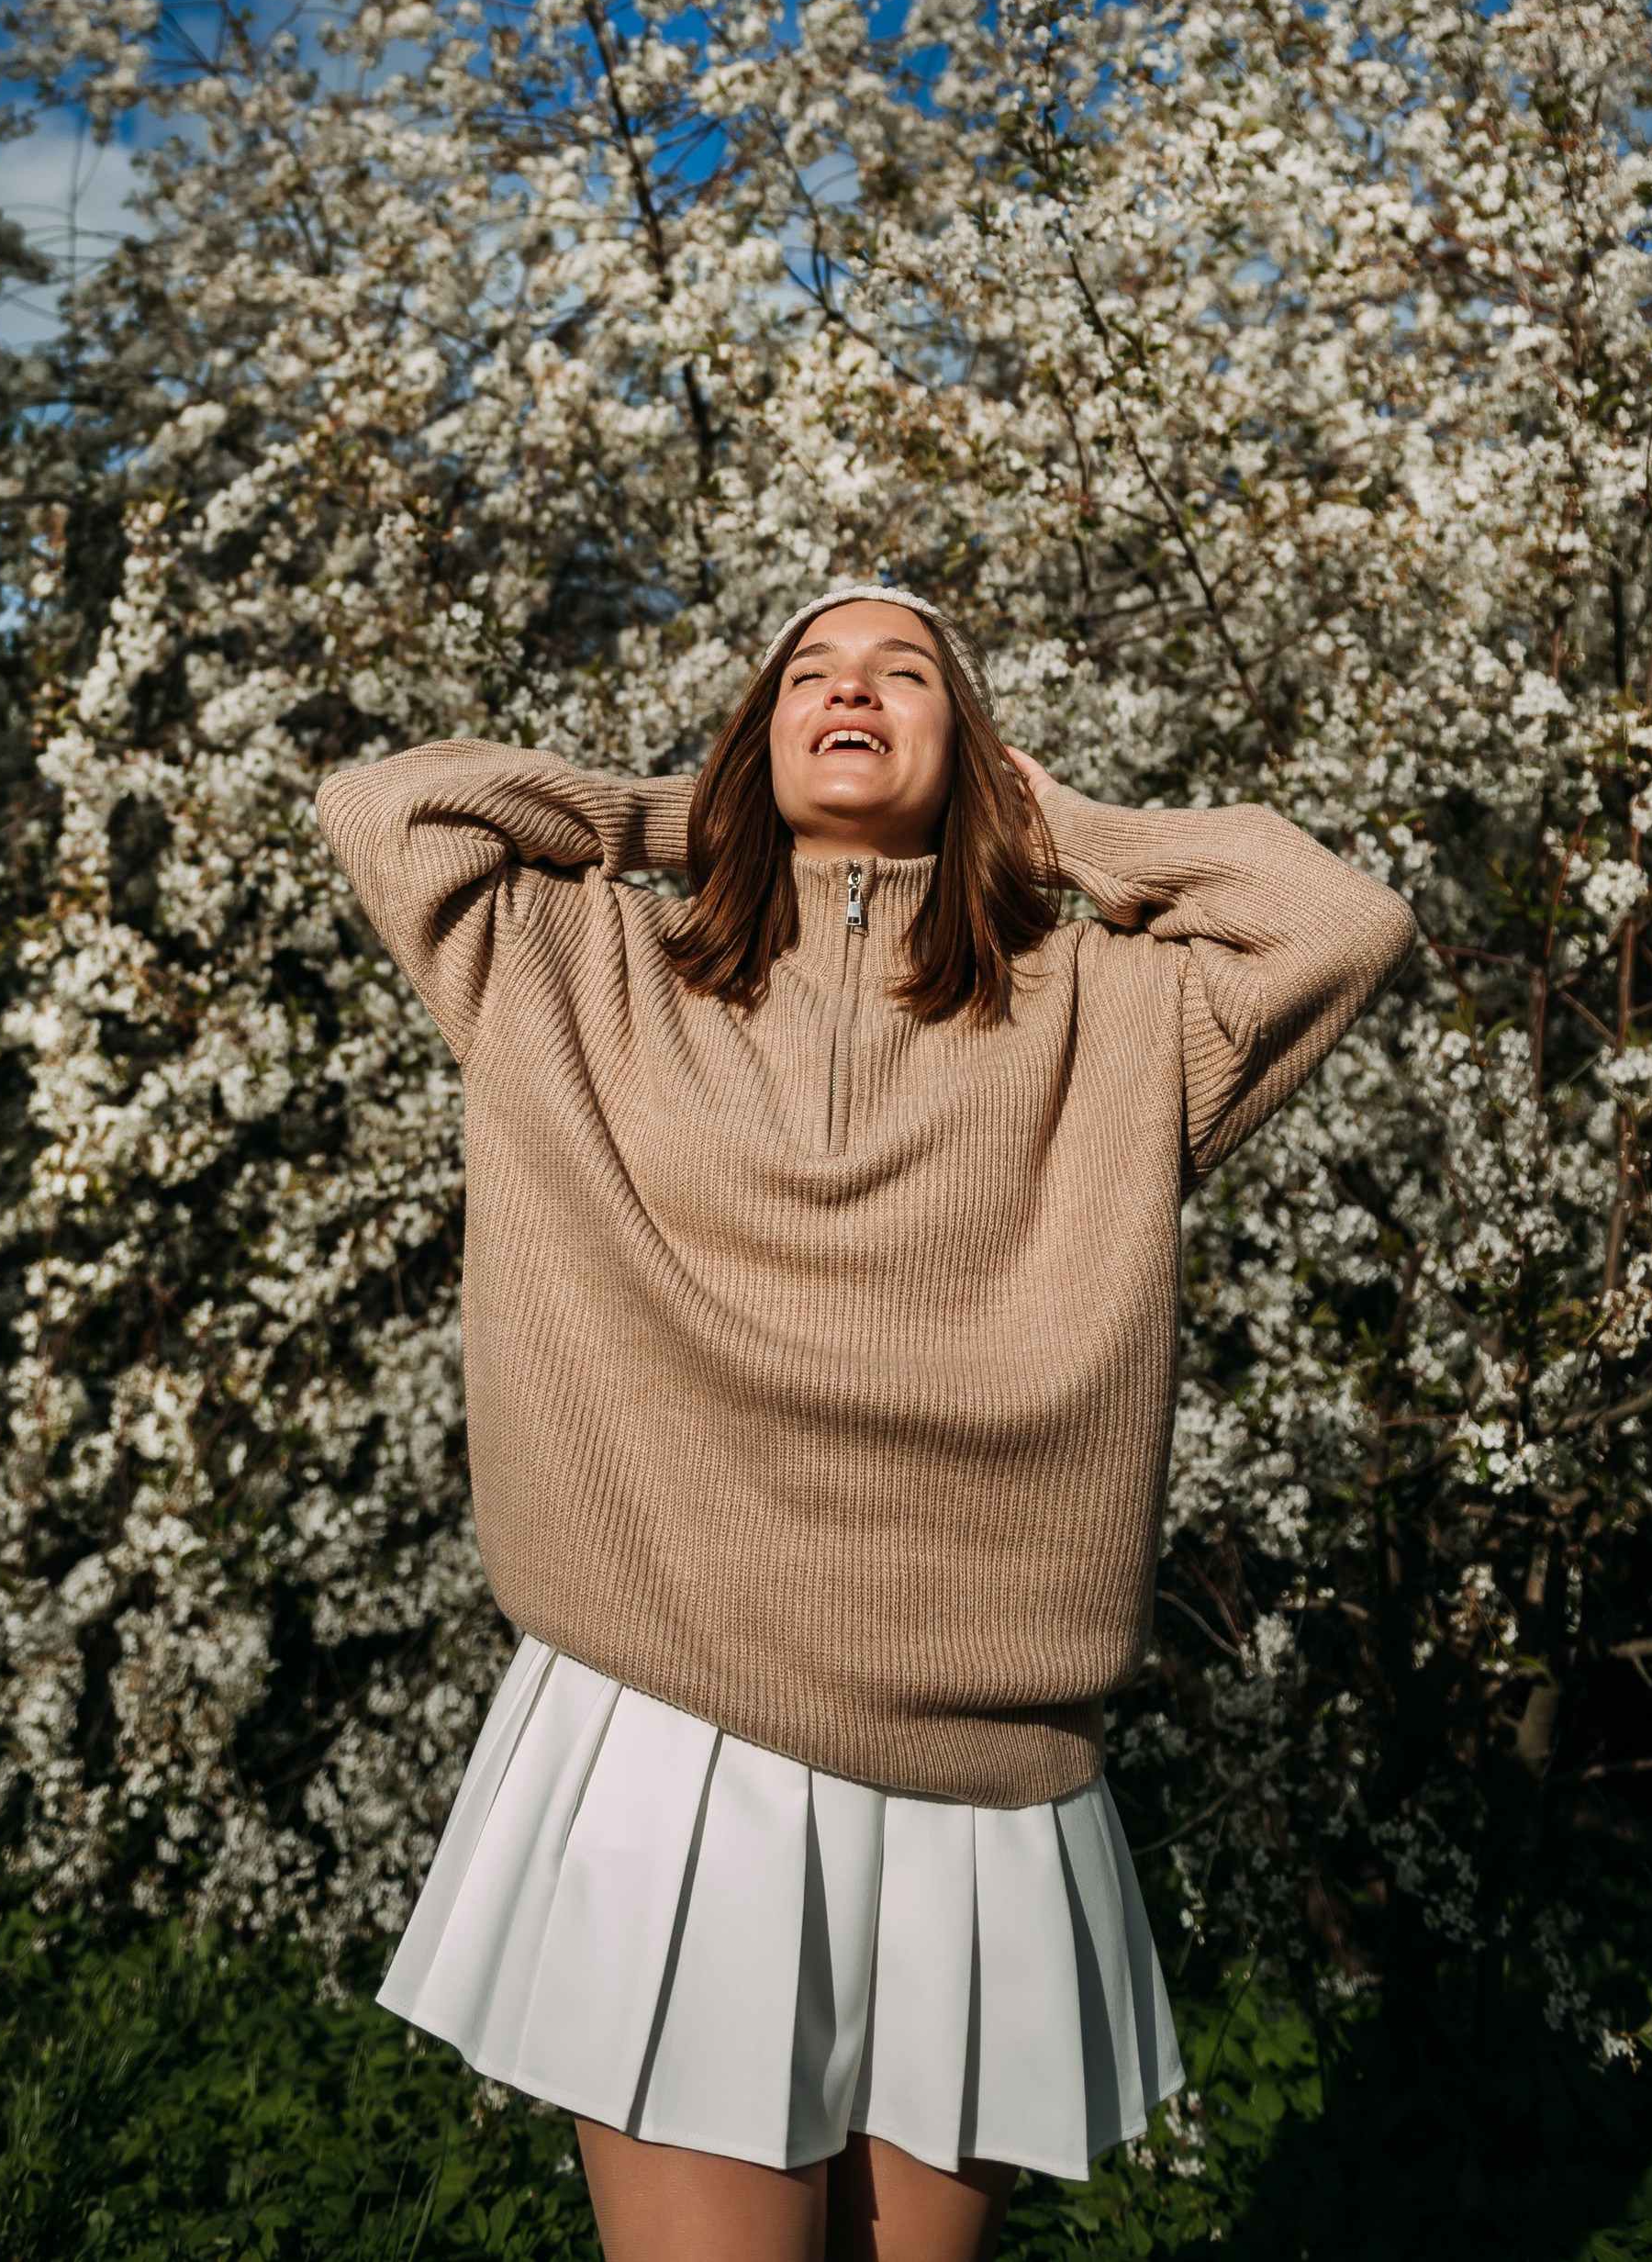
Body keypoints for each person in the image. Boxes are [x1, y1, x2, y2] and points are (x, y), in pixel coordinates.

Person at [317, 583, 1414, 2262]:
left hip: (987, 1764)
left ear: (970, 747)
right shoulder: (584, 966)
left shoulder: (1104, 1013)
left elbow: (1335, 922)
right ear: (752, 739)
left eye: (906, 676)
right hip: (680, 1728)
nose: (855, 690)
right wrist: (689, 819)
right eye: (810, 677)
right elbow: (388, 809)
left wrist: (1054, 831)